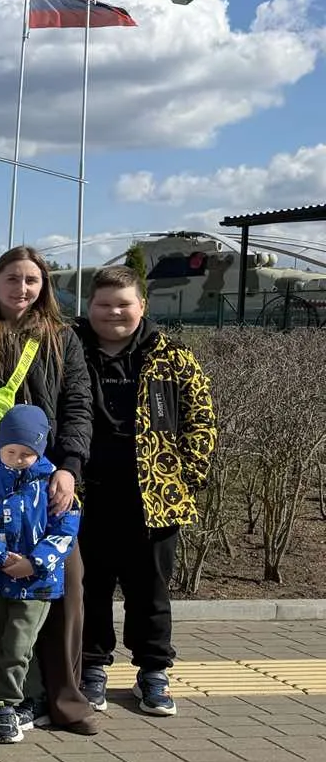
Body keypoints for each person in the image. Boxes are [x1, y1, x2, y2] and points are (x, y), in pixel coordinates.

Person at [0, 246, 99, 735]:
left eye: (32, 279)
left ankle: (62, 698)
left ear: (44, 285)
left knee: (65, 580)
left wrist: (69, 468)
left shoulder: (62, 339)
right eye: (12, 277)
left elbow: (78, 405)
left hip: (47, 483)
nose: (22, 288)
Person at [76, 266, 217, 718]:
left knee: (150, 590)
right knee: (89, 586)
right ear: (89, 306)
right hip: (86, 494)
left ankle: (153, 671)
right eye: (104, 304)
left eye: (124, 304)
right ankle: (91, 667)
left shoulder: (172, 355)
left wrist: (184, 477)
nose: (114, 312)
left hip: (154, 497)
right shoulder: (69, 349)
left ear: (142, 306)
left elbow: (201, 420)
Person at [0, 406, 81, 743]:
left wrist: (35, 563)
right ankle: (32, 698)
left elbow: (66, 530)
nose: (18, 460)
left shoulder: (53, 484)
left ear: (40, 451)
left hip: (37, 583)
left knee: (17, 644)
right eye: (11, 452)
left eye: (26, 454)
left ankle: (5, 705)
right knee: (6, 642)